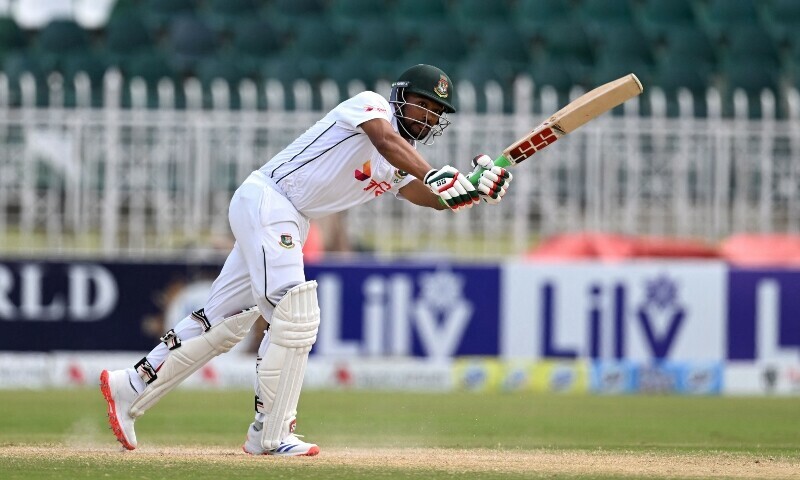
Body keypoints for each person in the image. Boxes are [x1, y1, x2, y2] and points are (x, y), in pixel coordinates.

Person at [99, 64, 513, 456]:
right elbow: (387, 142)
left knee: (222, 319)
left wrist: (474, 187)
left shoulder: (401, 163)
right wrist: (436, 174)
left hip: (289, 217)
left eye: (437, 111)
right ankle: (270, 432)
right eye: (423, 103)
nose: (428, 115)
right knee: (295, 312)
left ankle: (130, 386)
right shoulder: (371, 107)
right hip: (270, 199)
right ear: (400, 97)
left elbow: (434, 198)